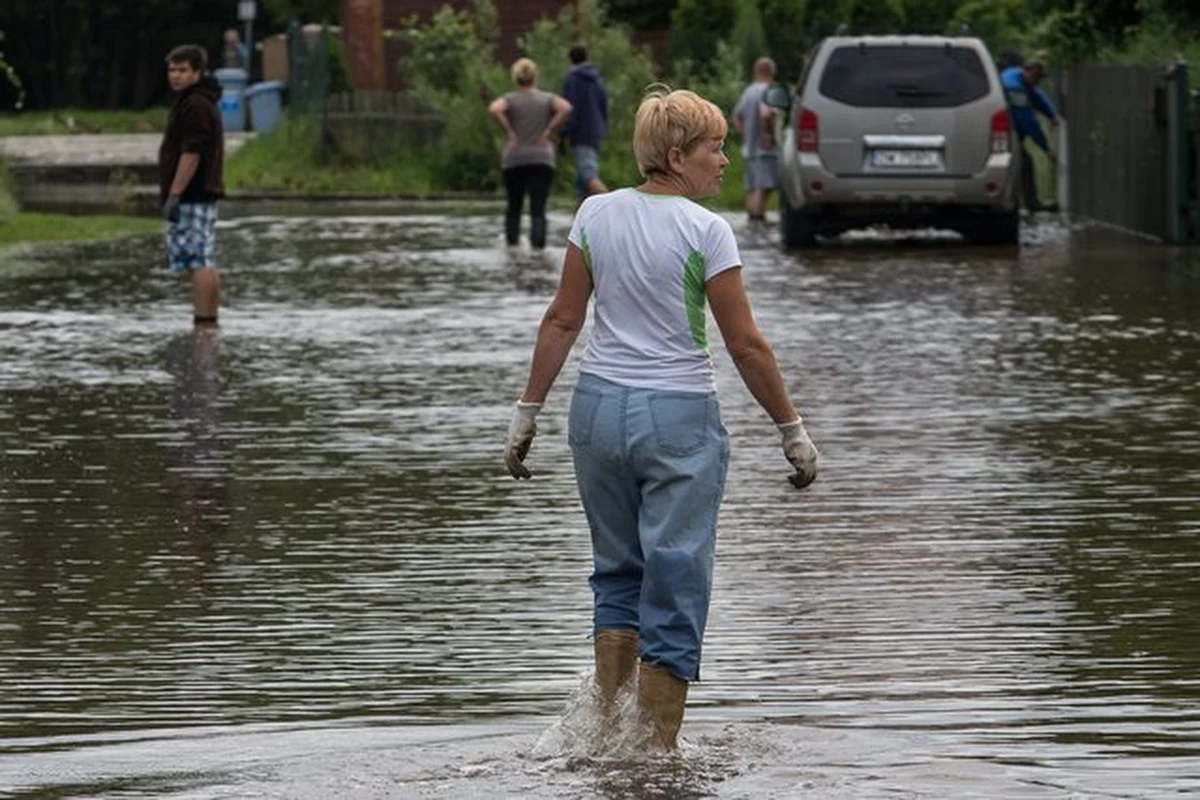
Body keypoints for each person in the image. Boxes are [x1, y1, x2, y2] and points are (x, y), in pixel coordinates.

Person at [503, 87, 819, 751]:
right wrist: (791, 429)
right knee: (676, 577)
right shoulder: (706, 229)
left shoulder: (594, 213)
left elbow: (563, 319)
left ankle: (607, 739)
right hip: (677, 418)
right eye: (714, 147)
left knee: (617, 573)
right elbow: (746, 344)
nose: (725, 161)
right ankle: (652, 754)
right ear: (678, 155)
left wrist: (526, 415)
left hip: (595, 414)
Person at [158, 44, 225, 326]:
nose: (176, 76)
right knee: (199, 257)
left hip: (193, 194)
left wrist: (175, 193)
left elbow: (192, 152)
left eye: (183, 70)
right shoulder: (195, 102)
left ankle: (204, 321)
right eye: (172, 70)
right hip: (197, 193)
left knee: (199, 260)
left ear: (197, 72)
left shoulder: (195, 105)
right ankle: (207, 321)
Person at [488, 58, 572, 251]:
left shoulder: (510, 99)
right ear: (535, 76)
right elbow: (566, 107)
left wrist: (509, 132)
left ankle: (513, 248)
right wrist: (549, 130)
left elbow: (494, 109)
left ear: (515, 77)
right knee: (538, 209)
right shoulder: (546, 98)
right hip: (542, 158)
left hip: (514, 157)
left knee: (514, 208)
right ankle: (538, 251)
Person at [1001, 57, 1060, 213]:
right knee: (1024, 164)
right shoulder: (1014, 88)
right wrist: (1046, 149)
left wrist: (1051, 115)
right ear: (1028, 71)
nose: (1037, 82)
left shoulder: (1018, 77)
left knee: (1019, 164)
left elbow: (1036, 95)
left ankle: (1021, 202)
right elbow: (1027, 121)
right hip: (1004, 133)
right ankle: (1030, 204)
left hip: (1008, 131)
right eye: (1036, 77)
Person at [732, 57, 780, 227]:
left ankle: (752, 221)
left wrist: (746, 135)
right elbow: (766, 114)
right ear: (771, 72)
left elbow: (737, 117)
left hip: (749, 149)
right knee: (763, 187)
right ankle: (759, 221)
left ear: (756, 72)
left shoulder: (748, 91)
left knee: (752, 187)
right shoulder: (769, 90)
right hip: (765, 149)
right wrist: (768, 135)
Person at [560, 45, 609, 203]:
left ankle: (612, 205)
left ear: (570, 60)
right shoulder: (597, 79)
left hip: (581, 132)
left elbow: (570, 108)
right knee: (581, 184)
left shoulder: (572, 79)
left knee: (588, 176)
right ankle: (580, 223)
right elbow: (603, 104)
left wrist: (564, 132)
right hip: (597, 130)